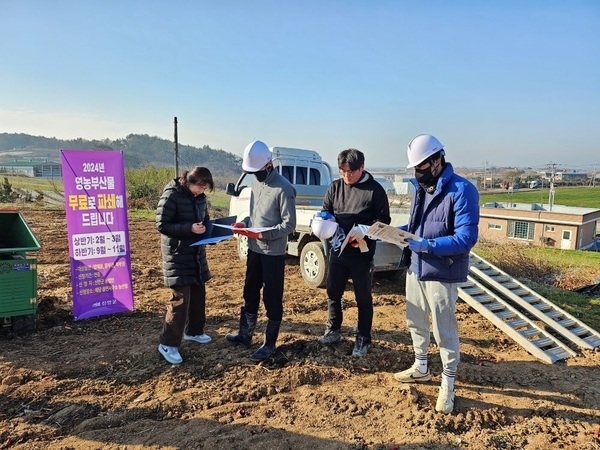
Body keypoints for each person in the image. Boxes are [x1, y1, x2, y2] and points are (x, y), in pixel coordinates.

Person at [393, 134, 479, 414]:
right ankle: (421, 366)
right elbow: (421, 224)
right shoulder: (423, 188)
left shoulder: (462, 190)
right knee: (415, 319)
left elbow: (466, 238)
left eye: (421, 167)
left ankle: (448, 383)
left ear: (437, 160)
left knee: (444, 330)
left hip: (443, 271)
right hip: (416, 266)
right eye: (415, 168)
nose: (418, 172)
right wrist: (393, 232)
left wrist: (428, 246)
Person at [226, 140, 297, 362]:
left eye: (256, 171)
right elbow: (255, 216)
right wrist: (244, 223)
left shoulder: (284, 188)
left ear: (268, 165)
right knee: (250, 290)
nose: (254, 175)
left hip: (272, 253)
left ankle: (269, 343)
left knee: (272, 296)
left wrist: (261, 234)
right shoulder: (256, 185)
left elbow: (289, 225)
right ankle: (245, 334)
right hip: (254, 249)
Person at [318, 148, 391, 357]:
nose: (346, 176)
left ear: (362, 167)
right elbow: (327, 212)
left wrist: (363, 232)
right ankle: (333, 329)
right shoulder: (335, 188)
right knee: (333, 291)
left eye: (350, 172)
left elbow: (383, 220)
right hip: (338, 251)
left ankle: (363, 337)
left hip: (362, 252)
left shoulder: (375, 191)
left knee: (363, 297)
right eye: (342, 172)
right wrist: (322, 223)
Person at [156, 166, 215, 364]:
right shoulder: (172, 195)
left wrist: (211, 232)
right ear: (188, 181)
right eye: (198, 187)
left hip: (196, 253)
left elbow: (204, 219)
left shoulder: (200, 198)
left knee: (199, 294)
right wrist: (189, 228)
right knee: (180, 299)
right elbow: (162, 224)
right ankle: (168, 343)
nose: (200, 191)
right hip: (177, 254)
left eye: (204, 188)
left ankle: (194, 331)